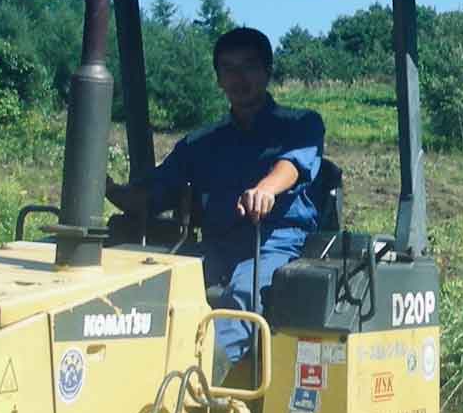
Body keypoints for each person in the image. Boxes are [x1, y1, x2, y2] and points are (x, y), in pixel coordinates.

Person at [105, 27, 323, 367]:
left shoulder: (301, 124)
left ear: (267, 71)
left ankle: (193, 383)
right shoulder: (202, 142)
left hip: (275, 245)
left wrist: (266, 189)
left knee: (243, 293)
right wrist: (102, 186)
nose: (239, 77)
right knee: (152, 286)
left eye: (249, 66)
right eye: (228, 68)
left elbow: (292, 165)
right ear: (219, 78)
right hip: (217, 246)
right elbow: (151, 196)